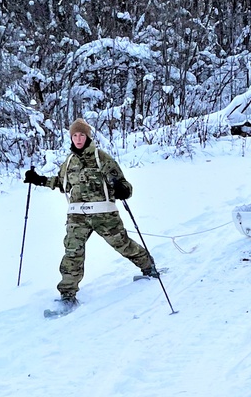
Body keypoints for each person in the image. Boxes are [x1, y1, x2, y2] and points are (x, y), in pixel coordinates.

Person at [24, 118, 159, 310]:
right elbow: (61, 183)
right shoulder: (69, 161)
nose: (78, 139)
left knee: (123, 245)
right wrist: (39, 180)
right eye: (75, 135)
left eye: (81, 135)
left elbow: (125, 185)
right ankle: (67, 295)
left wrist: (122, 190)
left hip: (104, 216)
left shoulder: (101, 158)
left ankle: (149, 267)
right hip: (77, 216)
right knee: (73, 252)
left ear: (88, 136)